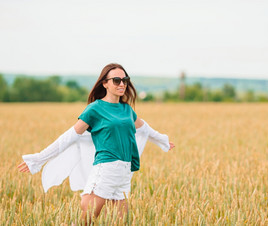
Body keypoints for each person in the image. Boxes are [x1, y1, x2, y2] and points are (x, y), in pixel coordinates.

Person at [17, 63, 175, 224]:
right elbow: (69, 137)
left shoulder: (127, 109)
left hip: (124, 173)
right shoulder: (95, 109)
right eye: (116, 80)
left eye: (125, 80)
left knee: (122, 222)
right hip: (106, 169)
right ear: (105, 83)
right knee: (86, 220)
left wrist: (163, 141)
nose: (122, 84)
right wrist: (38, 159)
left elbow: (145, 129)